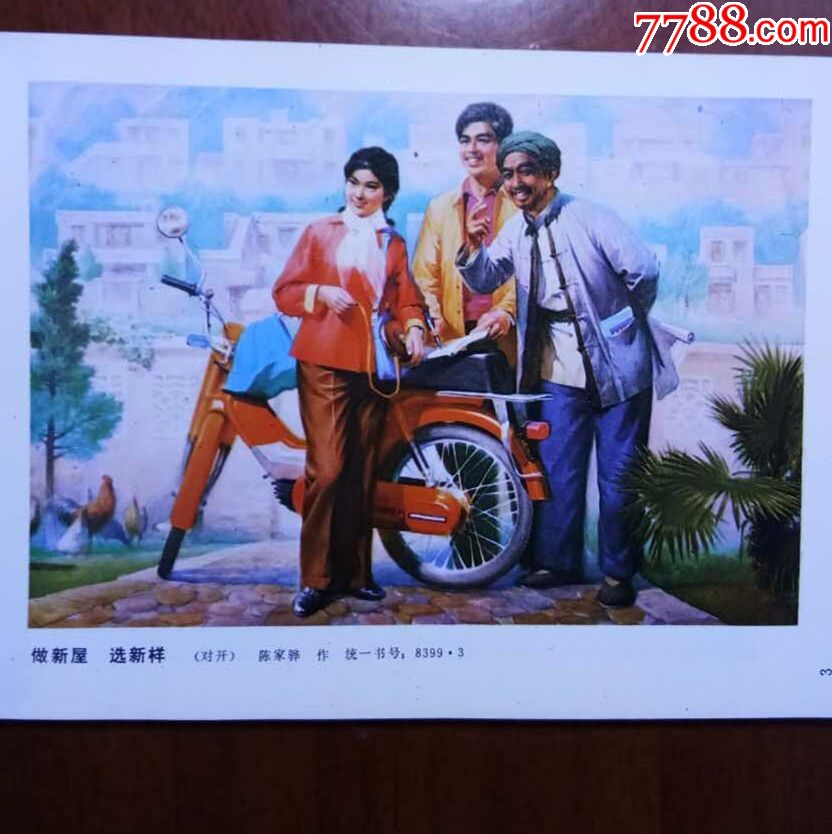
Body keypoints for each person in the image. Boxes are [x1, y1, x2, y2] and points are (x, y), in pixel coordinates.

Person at [457, 131, 660, 608]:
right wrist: (472, 249)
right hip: (557, 369)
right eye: (508, 174)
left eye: (526, 171)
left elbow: (645, 271)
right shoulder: (515, 229)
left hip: (619, 369)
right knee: (557, 471)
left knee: (619, 478)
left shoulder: (591, 217)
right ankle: (558, 563)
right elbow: (487, 278)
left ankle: (618, 573)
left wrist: (620, 322)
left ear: (551, 174)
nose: (515, 183)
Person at [273, 147, 426, 618]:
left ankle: (356, 575)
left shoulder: (392, 242)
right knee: (329, 470)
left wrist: (414, 327)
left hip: (375, 367)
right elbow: (284, 293)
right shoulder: (320, 232)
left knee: (362, 472)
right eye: (354, 183)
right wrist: (320, 292)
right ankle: (316, 580)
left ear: (388, 194)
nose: (359, 194)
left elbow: (406, 299)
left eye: (371, 186)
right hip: (324, 362)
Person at [412, 102, 517, 346]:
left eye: (483, 140)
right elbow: (424, 277)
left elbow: (533, 277)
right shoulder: (440, 208)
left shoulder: (522, 204)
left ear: (503, 146)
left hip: (509, 338)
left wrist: (506, 312)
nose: (472, 149)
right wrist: (433, 317)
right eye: (464, 140)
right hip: (451, 340)